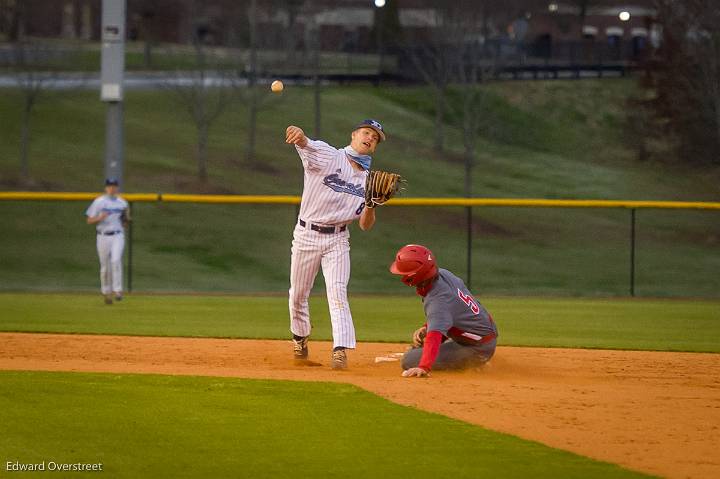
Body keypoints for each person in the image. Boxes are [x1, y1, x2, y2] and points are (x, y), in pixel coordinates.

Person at [285, 119, 386, 369]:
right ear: (354, 135)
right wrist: (298, 134)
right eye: (366, 132)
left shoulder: (369, 180)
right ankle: (300, 338)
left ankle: (340, 349)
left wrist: (372, 204)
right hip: (307, 234)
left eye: (375, 137)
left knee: (338, 292)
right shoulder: (330, 155)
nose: (370, 138)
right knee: (298, 294)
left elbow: (365, 225)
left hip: (338, 239)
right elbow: (305, 143)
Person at [389, 244, 498, 378]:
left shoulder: (438, 300)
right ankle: (469, 357)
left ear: (414, 276)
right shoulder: (443, 275)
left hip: (477, 347)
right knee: (424, 340)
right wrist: (427, 327)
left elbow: (435, 334)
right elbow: (455, 309)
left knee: (410, 360)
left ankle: (474, 362)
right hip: (482, 334)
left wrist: (424, 367)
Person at [85, 178, 130, 305]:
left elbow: (125, 223)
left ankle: (118, 290)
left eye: (114, 186)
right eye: (109, 186)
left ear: (117, 188)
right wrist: (100, 217)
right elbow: (89, 220)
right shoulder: (99, 202)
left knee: (116, 260)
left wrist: (126, 220)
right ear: (106, 188)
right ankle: (106, 293)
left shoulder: (122, 203)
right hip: (102, 236)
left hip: (117, 235)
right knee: (105, 266)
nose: (112, 188)